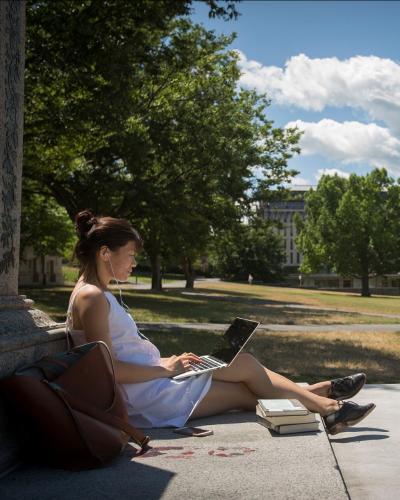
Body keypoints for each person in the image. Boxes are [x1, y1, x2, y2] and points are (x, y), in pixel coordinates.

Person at [67, 210, 375, 435]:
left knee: (245, 364)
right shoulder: (92, 297)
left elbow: (121, 354)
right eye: (131, 254)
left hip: (153, 381)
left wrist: (169, 361)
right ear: (105, 253)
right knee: (246, 394)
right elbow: (106, 371)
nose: (134, 263)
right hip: (145, 398)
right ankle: (327, 405)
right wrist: (165, 369)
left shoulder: (95, 293)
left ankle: (318, 396)